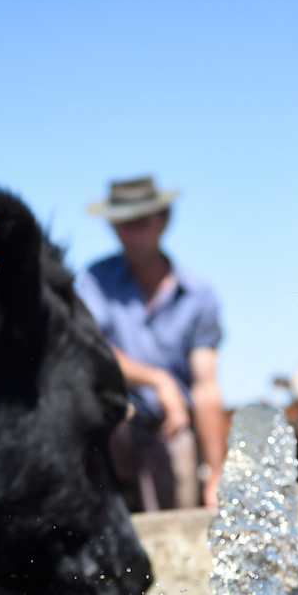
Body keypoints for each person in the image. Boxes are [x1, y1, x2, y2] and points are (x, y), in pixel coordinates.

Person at [75, 176, 227, 511]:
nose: (133, 233)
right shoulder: (94, 281)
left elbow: (205, 386)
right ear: (112, 227)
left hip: (172, 429)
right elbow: (90, 347)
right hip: (112, 424)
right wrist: (157, 379)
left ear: (163, 221)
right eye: (123, 224)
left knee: (182, 511)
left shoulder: (199, 294)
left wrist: (216, 473)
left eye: (141, 222)